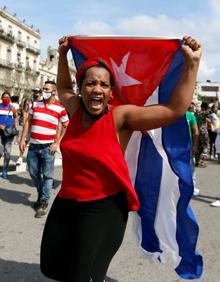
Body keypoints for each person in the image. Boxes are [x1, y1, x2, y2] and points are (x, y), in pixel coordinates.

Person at [40, 35, 202, 282]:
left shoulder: (120, 118)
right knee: (51, 265)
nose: (97, 89)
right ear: (81, 88)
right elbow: (63, 88)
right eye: (91, 84)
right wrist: (62, 55)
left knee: (80, 275)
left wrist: (192, 64)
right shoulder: (74, 109)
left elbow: (174, 110)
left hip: (104, 208)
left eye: (104, 85)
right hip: (67, 202)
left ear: (110, 92)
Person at [19, 81, 69, 218]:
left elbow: (66, 125)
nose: (43, 91)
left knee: (48, 176)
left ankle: (44, 201)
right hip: (33, 146)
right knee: (33, 173)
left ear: (54, 92)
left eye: (47, 89)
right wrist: (23, 139)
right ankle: (42, 195)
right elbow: (27, 121)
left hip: (48, 148)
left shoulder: (60, 108)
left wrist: (57, 143)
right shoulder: (35, 104)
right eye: (43, 89)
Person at [0, 91, 19, 179]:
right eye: (4, 97)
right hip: (0, 132)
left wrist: (16, 128)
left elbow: (15, 117)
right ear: (1, 98)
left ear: (10, 99)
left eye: (8, 97)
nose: (6, 98)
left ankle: (5, 171)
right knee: (0, 151)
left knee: (7, 153)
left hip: (9, 132)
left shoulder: (12, 108)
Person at [186, 104, 199, 196]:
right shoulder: (173, 115)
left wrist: (195, 146)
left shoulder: (190, 116)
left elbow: (196, 131)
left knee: (191, 167)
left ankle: (192, 187)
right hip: (174, 146)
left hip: (187, 146)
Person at [195, 102, 210, 167]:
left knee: (199, 147)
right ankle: (201, 160)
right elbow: (212, 111)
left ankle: (197, 161)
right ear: (205, 107)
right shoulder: (204, 113)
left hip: (197, 131)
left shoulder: (197, 113)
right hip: (203, 132)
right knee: (206, 146)